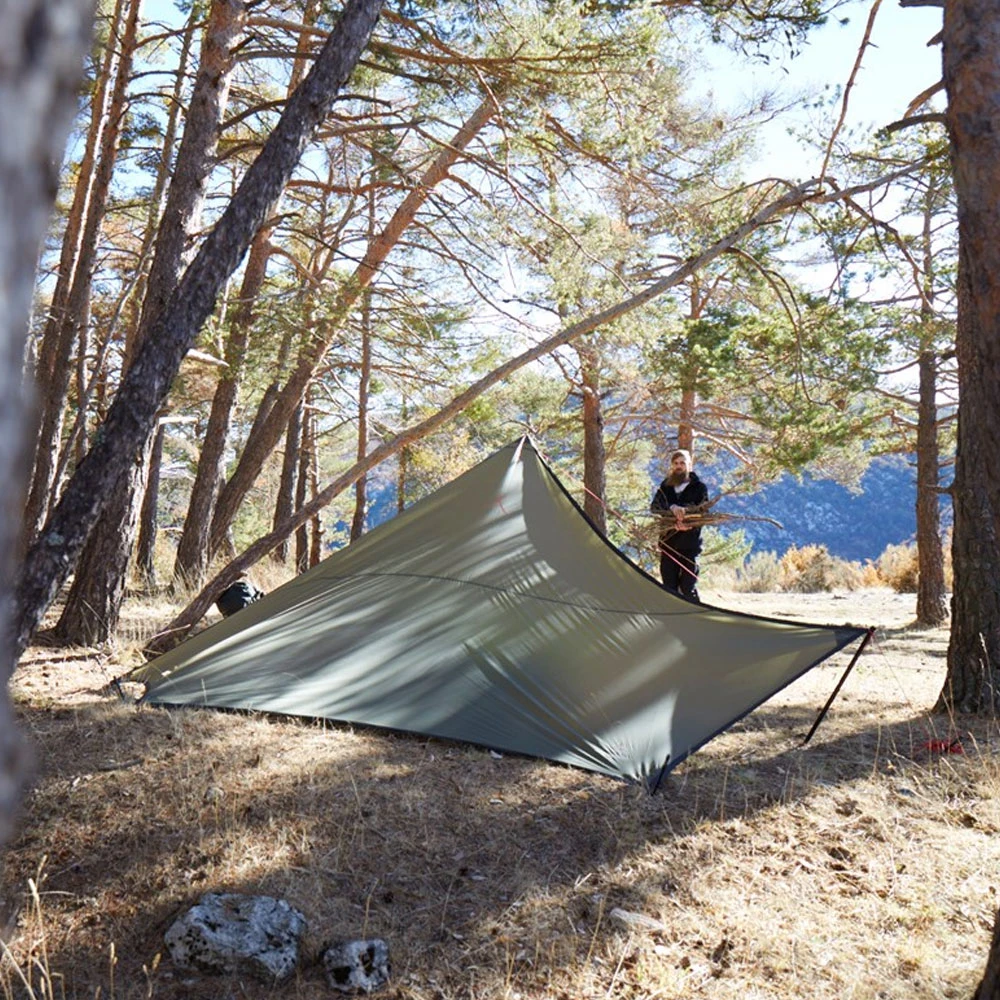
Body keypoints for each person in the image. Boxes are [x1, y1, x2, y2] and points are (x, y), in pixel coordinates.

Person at [650, 448, 709, 602]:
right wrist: (671, 508)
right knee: (669, 588)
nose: (679, 466)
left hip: (689, 546)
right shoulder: (665, 486)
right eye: (676, 463)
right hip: (668, 545)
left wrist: (688, 524)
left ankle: (696, 620)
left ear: (689, 465)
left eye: (682, 463)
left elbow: (703, 514)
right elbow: (654, 507)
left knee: (687, 588)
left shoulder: (699, 488)